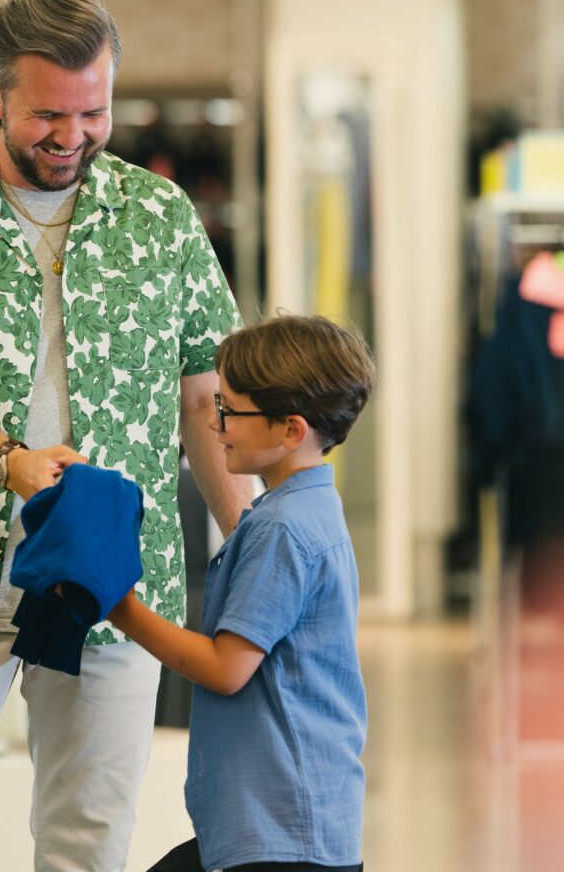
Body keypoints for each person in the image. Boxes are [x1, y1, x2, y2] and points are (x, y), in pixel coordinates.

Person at [0, 0, 257, 871]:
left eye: (95, 113)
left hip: (119, 577)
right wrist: (12, 463)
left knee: (89, 838)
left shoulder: (158, 215)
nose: (73, 136)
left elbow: (207, 401)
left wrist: (252, 542)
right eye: (49, 114)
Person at [106, 315, 373, 872]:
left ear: (291, 430)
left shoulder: (284, 529)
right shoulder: (304, 509)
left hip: (281, 831)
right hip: (281, 822)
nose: (216, 423)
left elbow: (228, 667)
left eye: (230, 410)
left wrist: (122, 610)